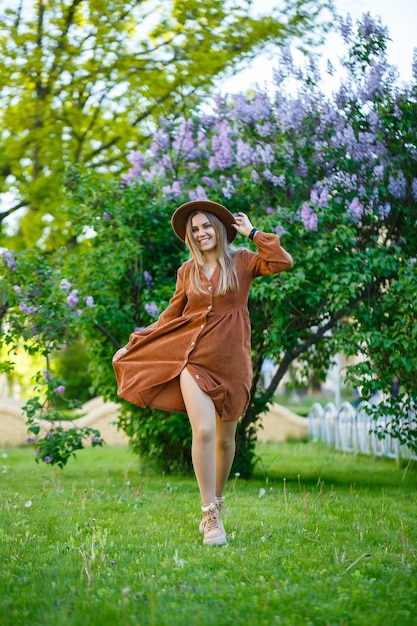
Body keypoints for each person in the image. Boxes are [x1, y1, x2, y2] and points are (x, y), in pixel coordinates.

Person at [112, 199, 293, 546]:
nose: (201, 233)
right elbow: (171, 317)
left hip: (233, 365)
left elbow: (281, 261)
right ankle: (209, 513)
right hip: (192, 362)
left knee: (226, 440)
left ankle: (219, 503)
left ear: (219, 228)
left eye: (206, 226)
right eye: (194, 229)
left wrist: (253, 232)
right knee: (205, 432)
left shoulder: (242, 261)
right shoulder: (187, 272)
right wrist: (134, 344)